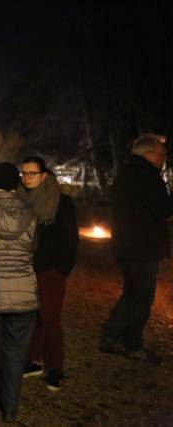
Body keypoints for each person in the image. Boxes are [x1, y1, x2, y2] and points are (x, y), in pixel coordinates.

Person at [100, 134, 172, 361]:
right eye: (161, 154)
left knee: (131, 293)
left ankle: (112, 336)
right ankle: (133, 344)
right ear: (148, 154)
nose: (164, 158)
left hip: (126, 245)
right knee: (142, 296)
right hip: (144, 248)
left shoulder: (125, 174)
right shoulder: (148, 177)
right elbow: (163, 211)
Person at [18, 155, 79, 392]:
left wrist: (62, 268)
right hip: (27, 267)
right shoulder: (21, 199)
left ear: (43, 175)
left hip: (51, 268)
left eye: (31, 173)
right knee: (32, 316)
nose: (26, 178)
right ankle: (33, 361)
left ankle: (55, 368)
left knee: (50, 318)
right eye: (23, 173)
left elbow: (70, 238)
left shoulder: (60, 201)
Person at [0, 163, 38, 424]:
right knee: (15, 356)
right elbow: (34, 251)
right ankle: (10, 411)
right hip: (24, 295)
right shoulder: (30, 212)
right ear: (16, 184)